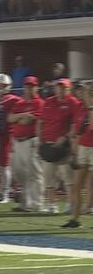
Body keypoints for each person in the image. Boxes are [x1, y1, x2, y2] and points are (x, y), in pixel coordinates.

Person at [38, 78, 80, 214]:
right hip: (48, 144)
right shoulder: (49, 102)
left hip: (64, 147)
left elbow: (75, 124)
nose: (60, 90)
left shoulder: (73, 102)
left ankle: (70, 204)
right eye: (58, 87)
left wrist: (65, 137)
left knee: (68, 177)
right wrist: (40, 139)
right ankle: (51, 204)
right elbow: (41, 121)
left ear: (68, 89)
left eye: (63, 88)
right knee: (48, 177)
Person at [10, 76, 45, 212]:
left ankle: (37, 204)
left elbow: (28, 121)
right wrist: (23, 115)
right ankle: (25, 203)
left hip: (30, 140)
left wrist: (19, 118)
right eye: (27, 86)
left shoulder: (39, 103)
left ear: (36, 88)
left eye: (31, 86)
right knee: (19, 173)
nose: (29, 89)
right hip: (17, 141)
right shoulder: (19, 103)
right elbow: (10, 118)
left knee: (34, 173)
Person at [63, 82, 93, 227]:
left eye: (85, 91)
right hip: (83, 147)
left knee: (91, 185)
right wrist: (74, 151)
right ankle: (74, 219)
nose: (81, 93)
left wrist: (90, 105)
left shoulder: (88, 107)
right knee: (77, 185)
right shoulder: (80, 107)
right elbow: (78, 131)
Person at [0, 73, 21, 204]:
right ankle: (3, 191)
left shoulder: (13, 99)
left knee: (5, 165)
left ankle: (6, 192)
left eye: (2, 85)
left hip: (7, 135)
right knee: (1, 165)